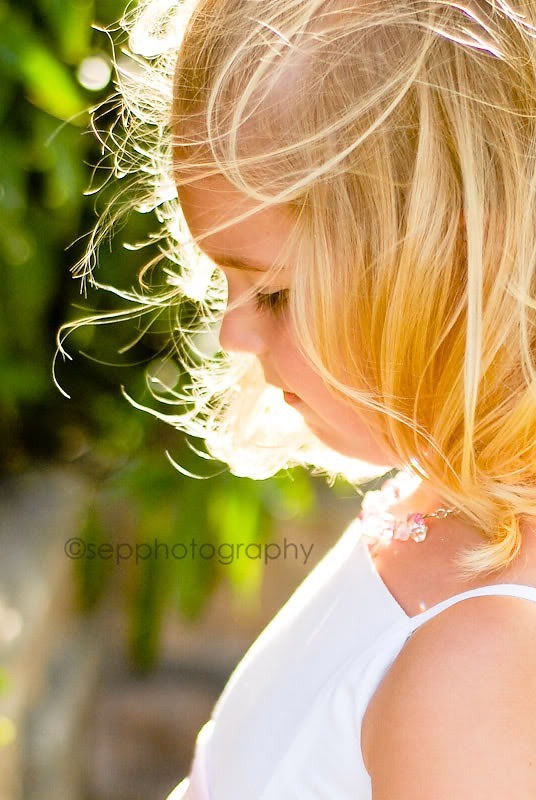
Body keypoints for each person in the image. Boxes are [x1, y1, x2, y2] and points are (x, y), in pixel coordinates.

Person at [60, 0, 536, 796]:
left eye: (274, 293)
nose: (232, 333)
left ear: (459, 262)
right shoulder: (433, 501)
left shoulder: (481, 670)